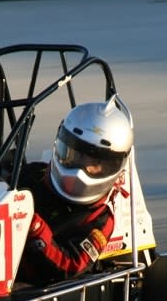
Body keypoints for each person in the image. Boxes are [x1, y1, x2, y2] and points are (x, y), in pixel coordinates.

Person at [16, 95, 134, 287]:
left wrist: (35, 229)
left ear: (113, 166)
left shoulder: (100, 220)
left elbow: (70, 266)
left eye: (94, 163)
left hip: (33, 284)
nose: (80, 170)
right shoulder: (33, 175)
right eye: (77, 155)